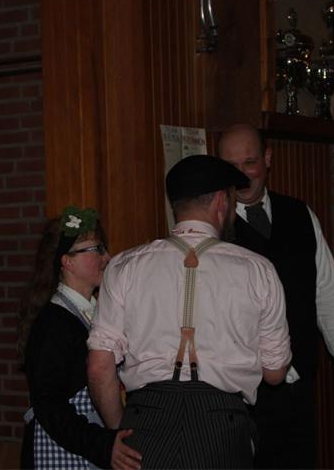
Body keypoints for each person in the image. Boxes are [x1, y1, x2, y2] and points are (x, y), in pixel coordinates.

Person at [86, 154, 292, 469]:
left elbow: (99, 367)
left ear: (176, 206)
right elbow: (275, 373)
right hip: (222, 429)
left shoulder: (124, 266)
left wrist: (120, 429)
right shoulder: (258, 270)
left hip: (145, 424)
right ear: (221, 202)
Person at [217, 123, 334, 469]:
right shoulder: (214, 230)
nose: (242, 175)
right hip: (241, 400)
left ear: (267, 159)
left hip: (299, 391)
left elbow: (327, 294)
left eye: (250, 163)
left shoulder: (300, 214)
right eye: (231, 167)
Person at [17, 206, 142, 470]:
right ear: (67, 261)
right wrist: (102, 445)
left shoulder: (97, 313)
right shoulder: (54, 324)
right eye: (97, 249)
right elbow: (50, 407)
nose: (107, 257)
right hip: (64, 454)